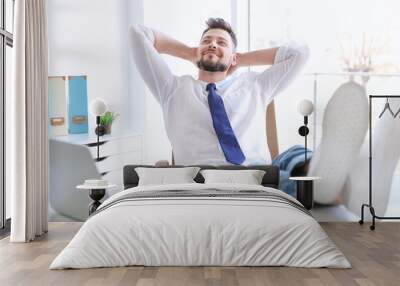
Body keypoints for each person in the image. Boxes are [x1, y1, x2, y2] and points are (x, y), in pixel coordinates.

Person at [129, 18, 368, 202]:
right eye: (206, 41)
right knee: (284, 177)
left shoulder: (255, 84)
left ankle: (328, 177)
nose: (212, 43)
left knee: (293, 155)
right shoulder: (172, 87)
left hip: (259, 171)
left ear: (234, 55)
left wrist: (237, 59)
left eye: (221, 42)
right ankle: (321, 186)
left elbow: (300, 53)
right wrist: (190, 53)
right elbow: (138, 33)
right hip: (203, 177)